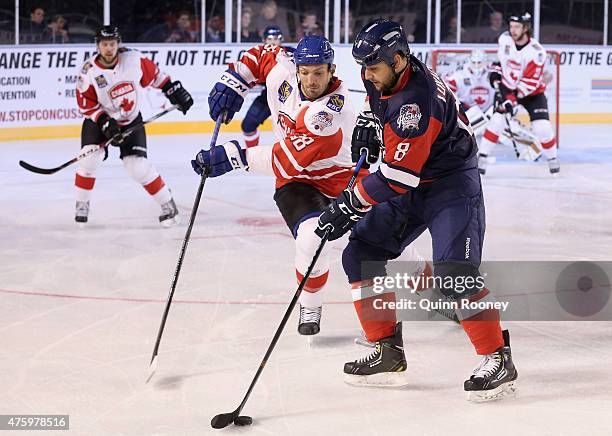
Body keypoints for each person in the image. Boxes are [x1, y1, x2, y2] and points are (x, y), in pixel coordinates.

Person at [315, 19, 518, 402]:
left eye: (373, 68)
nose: (367, 76)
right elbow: (381, 112)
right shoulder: (388, 76)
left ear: (398, 59)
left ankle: (498, 357)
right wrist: (367, 123)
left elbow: (397, 177)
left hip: (450, 185)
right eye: (363, 68)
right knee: (361, 252)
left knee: (453, 275)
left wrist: (349, 204)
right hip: (414, 179)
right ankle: (387, 351)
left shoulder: (416, 101)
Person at [191, 35, 369, 336]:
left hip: (343, 177)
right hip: (298, 184)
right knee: (312, 237)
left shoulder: (328, 113)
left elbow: (287, 160)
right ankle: (311, 304)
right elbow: (261, 55)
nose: (311, 80)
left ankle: (447, 295)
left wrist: (233, 155)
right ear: (296, 67)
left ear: (332, 70)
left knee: (389, 239)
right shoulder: (282, 72)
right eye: (305, 71)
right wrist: (235, 79)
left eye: (319, 73)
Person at [74, 26, 193, 227]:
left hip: (130, 120)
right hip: (100, 121)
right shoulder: (88, 72)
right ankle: (82, 203)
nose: (109, 48)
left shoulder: (134, 59)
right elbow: (86, 105)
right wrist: (105, 122)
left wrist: (174, 91)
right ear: (97, 46)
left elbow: (158, 78)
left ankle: (168, 204)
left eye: (112, 44)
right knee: (89, 158)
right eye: (104, 45)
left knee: (137, 166)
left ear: (118, 44)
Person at [478, 12, 559, 175]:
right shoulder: (505, 39)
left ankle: (553, 158)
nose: (512, 30)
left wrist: (510, 100)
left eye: (517, 27)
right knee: (496, 121)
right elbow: (501, 64)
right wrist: (495, 76)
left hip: (532, 94)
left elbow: (529, 83)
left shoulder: (537, 52)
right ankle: (482, 159)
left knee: (542, 128)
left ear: (526, 28)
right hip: (507, 89)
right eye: (511, 26)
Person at [241, 26, 287, 148]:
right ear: (264, 40)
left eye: (276, 38)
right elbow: (247, 76)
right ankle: (252, 155)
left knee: (290, 131)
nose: (273, 41)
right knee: (248, 125)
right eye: (269, 38)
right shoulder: (258, 57)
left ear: (281, 39)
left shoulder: (290, 54)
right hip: (268, 97)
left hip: (289, 99)